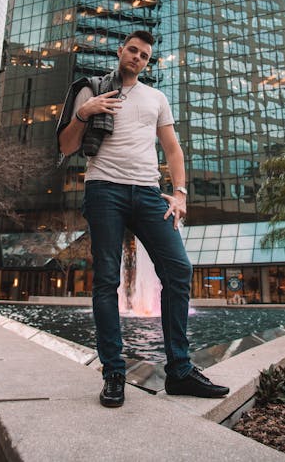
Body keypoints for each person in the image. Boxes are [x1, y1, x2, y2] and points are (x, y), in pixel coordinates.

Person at [58, 30, 229, 408]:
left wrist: (181, 193)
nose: (137, 57)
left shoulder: (156, 98)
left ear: (148, 62)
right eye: (132, 50)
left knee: (178, 270)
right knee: (106, 279)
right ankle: (114, 373)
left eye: (144, 55)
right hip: (104, 190)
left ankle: (180, 371)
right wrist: (84, 113)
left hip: (149, 193)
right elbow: (67, 146)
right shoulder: (91, 90)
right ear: (120, 51)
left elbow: (172, 148)